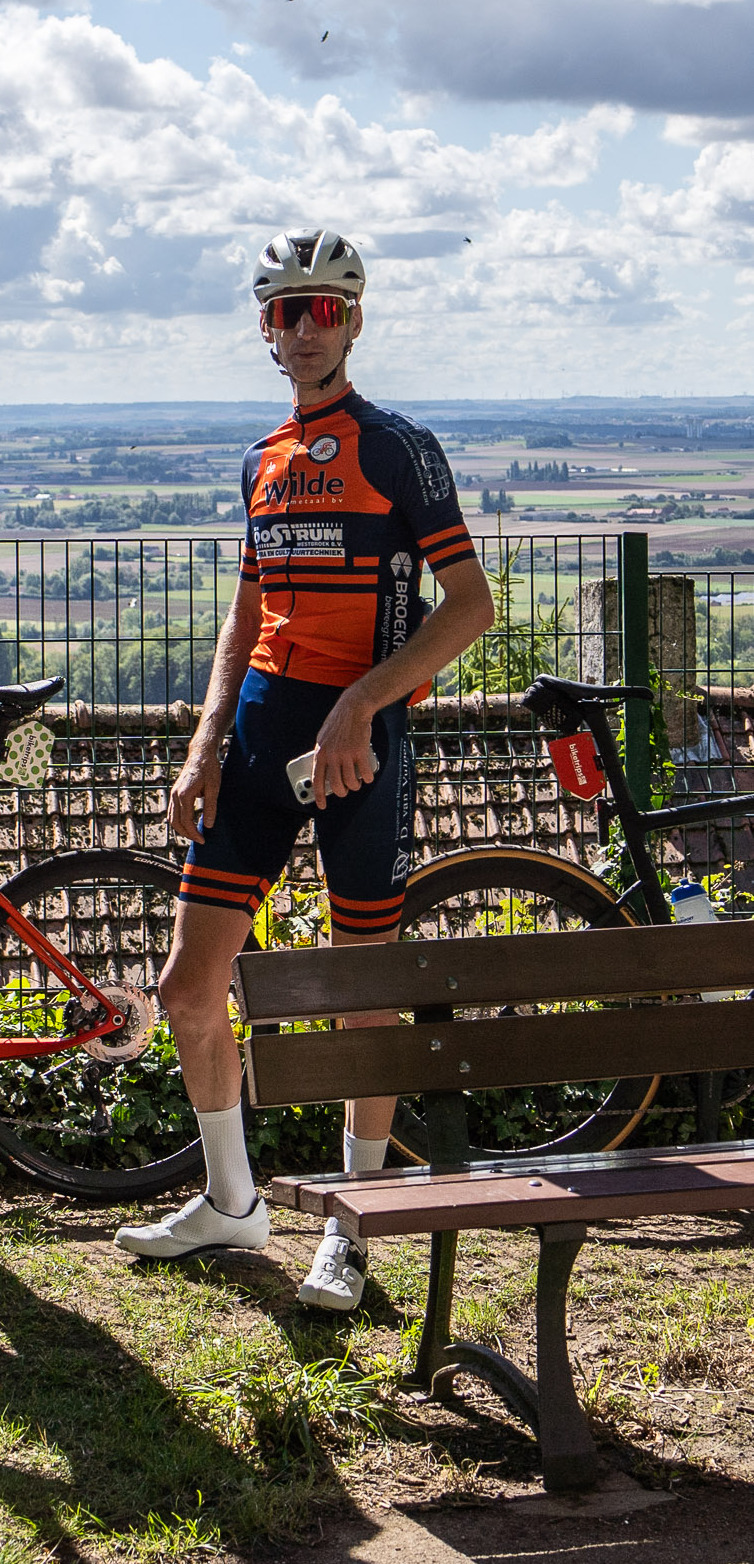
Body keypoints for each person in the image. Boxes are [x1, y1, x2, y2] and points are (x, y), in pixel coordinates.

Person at [116, 231, 494, 1308]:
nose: (307, 326)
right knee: (190, 984)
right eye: (288, 311)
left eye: (326, 308)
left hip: (360, 744)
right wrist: (202, 744)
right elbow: (244, 624)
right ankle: (232, 1200)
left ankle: (353, 1222)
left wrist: (362, 704)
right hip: (260, 734)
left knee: (359, 997)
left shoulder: (397, 447)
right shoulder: (262, 459)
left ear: (356, 320)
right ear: (267, 329)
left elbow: (469, 607)